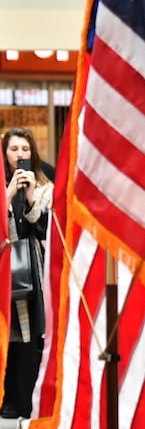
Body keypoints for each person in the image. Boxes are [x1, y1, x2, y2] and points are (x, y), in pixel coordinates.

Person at [1, 127, 52, 419]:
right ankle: (6, 401)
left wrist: (31, 197)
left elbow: (43, 228)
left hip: (31, 272)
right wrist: (7, 194)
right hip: (4, 266)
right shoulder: (1, 186)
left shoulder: (44, 184)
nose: (20, 155)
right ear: (4, 154)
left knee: (30, 337)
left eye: (25, 149)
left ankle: (24, 403)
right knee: (6, 335)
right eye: (13, 149)